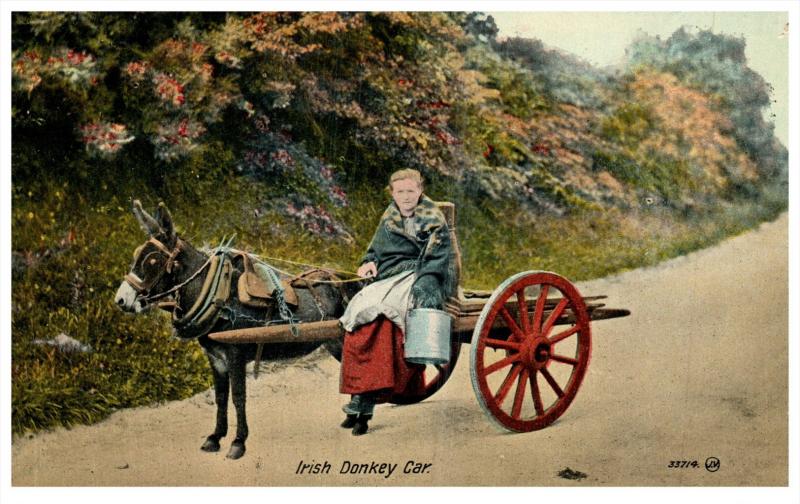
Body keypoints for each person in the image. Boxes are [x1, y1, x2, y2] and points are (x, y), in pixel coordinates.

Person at [338, 168, 456, 435]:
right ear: (392, 193)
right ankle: (358, 394)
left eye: (410, 191)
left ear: (420, 191)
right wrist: (368, 263)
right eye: (400, 191)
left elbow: (438, 258)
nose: (405, 197)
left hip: (421, 274)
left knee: (389, 314)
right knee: (358, 310)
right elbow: (375, 250)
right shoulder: (389, 217)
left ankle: (367, 399)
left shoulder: (432, 218)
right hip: (389, 275)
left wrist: (425, 282)